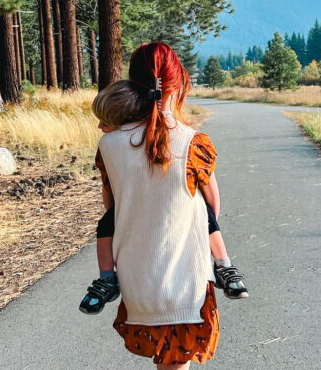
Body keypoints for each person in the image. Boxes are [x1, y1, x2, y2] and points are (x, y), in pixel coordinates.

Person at [88, 42, 236, 370]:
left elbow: (110, 215)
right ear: (180, 84)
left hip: (137, 286)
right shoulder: (195, 143)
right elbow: (214, 209)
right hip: (186, 288)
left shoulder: (108, 146)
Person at [79, 81, 247, 315]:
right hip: (178, 208)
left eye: (105, 122)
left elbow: (109, 192)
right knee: (204, 213)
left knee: (105, 225)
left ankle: (107, 278)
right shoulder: (180, 137)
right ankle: (224, 266)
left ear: (124, 120)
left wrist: (118, 215)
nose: (99, 126)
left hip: (132, 208)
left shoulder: (110, 145)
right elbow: (212, 198)